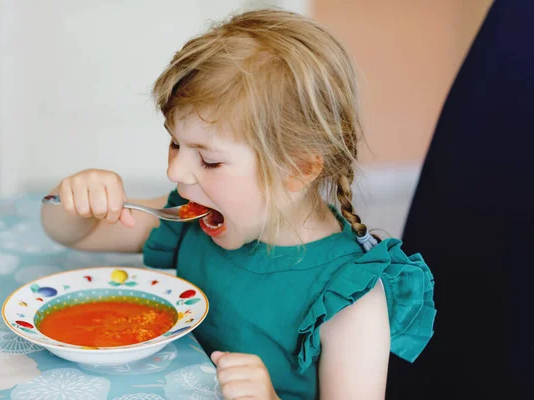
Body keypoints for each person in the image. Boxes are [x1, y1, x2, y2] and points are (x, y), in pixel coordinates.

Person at [41, 9, 436, 399]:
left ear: (296, 169)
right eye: (175, 143)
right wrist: (74, 198)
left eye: (209, 160)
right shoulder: (193, 218)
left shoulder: (350, 299)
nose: (176, 171)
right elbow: (77, 233)